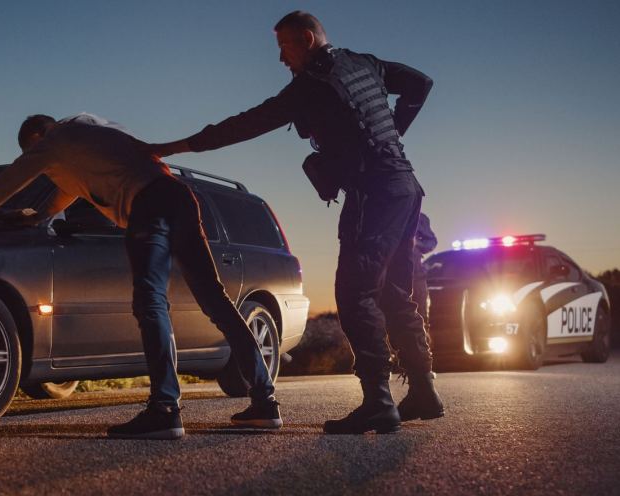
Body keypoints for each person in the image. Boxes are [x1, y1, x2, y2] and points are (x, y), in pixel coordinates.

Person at [147, 11, 443, 433]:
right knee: (396, 293)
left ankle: (378, 400)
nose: (282, 60)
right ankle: (423, 390)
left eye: (284, 48)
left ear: (306, 39)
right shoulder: (365, 62)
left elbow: (242, 126)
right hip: (405, 187)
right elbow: (420, 84)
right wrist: (392, 133)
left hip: (373, 192)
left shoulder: (309, 87)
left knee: (355, 294)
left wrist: (170, 147)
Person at [0, 112, 281, 439]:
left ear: (36, 141)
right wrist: (35, 218)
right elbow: (57, 201)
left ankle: (165, 410)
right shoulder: (87, 142)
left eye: (32, 156)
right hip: (179, 197)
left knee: (150, 301)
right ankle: (265, 402)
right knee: (215, 299)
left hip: (149, 206)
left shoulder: (54, 142)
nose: (40, 166)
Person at [412, 212, 437, 333]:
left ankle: (422, 349)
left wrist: (417, 244)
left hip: (415, 276)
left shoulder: (418, 217)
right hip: (389, 276)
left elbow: (431, 242)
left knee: (420, 317)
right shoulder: (380, 212)